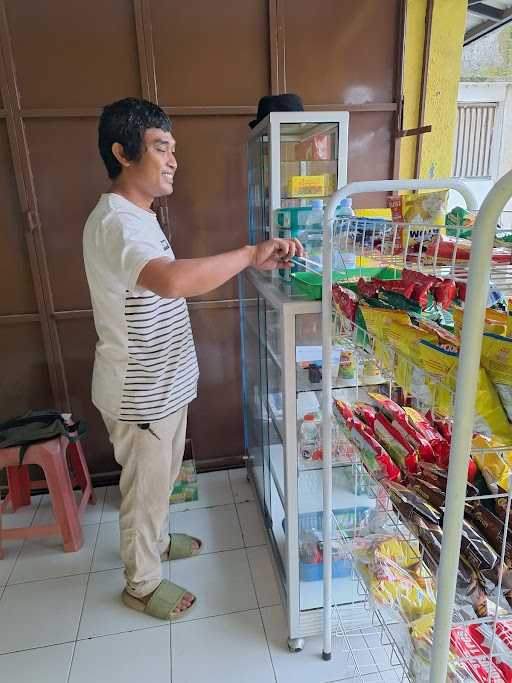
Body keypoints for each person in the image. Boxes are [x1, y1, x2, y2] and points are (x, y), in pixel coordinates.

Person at [82, 97, 302, 621]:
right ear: (122, 152)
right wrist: (250, 254)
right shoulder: (117, 221)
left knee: (160, 481)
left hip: (164, 383)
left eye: (173, 148)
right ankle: (140, 582)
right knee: (145, 489)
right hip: (141, 389)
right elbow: (174, 281)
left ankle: (155, 544)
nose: (174, 159)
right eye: (161, 147)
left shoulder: (139, 216)